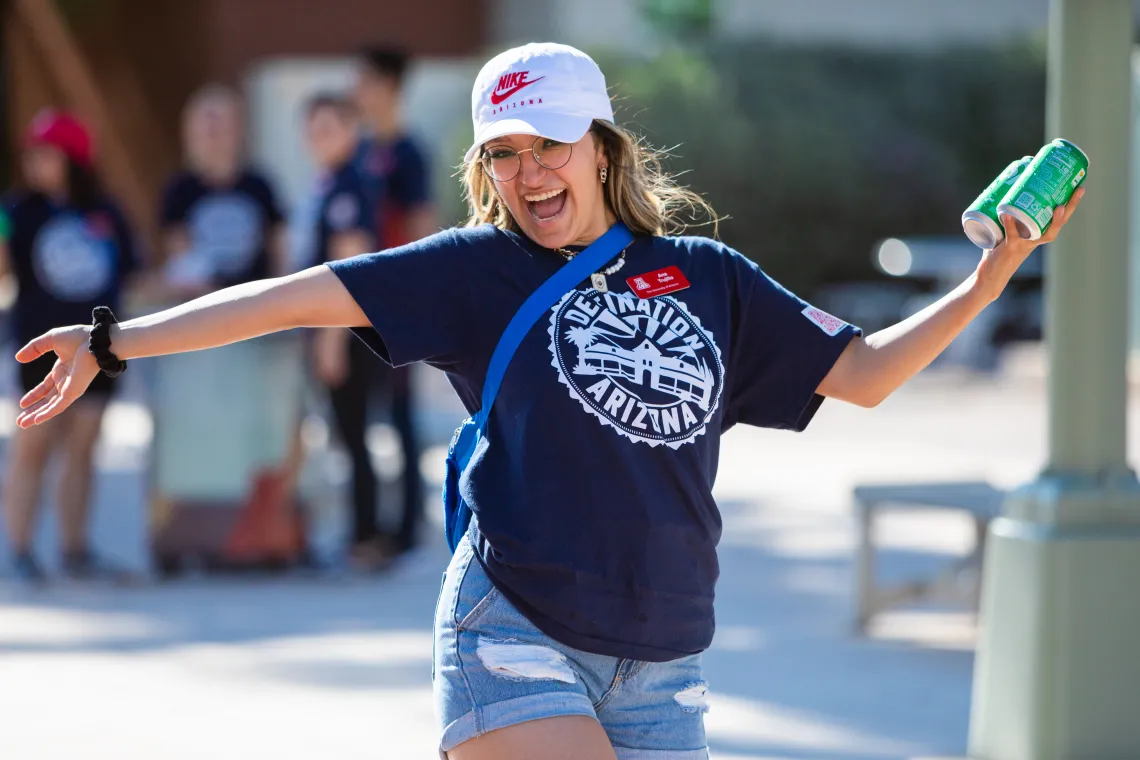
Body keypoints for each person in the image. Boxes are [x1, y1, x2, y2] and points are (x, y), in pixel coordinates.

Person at [13, 43, 1083, 759]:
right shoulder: (473, 269)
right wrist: (114, 340)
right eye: (506, 154)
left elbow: (868, 373)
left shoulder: (712, 276)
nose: (529, 174)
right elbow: (288, 300)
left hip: (668, 660)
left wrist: (986, 283)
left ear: (604, 147)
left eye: (551, 145)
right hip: (513, 632)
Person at [1, 109, 138, 583]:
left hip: (101, 346)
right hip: (39, 347)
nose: (36, 162)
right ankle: (20, 551)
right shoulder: (17, 211)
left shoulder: (106, 211)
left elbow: (131, 270)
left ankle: (75, 550)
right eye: (32, 153)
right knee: (32, 445)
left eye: (47, 153)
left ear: (74, 158)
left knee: (83, 447)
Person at [297, 92, 386, 570]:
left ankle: (366, 539)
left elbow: (349, 265)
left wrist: (331, 342)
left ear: (352, 130)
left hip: (346, 333)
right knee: (345, 438)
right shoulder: (328, 182)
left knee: (354, 439)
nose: (319, 138)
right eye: (313, 129)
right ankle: (359, 535)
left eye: (329, 128)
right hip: (333, 330)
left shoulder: (351, 185)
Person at [352, 47, 434, 561]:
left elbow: (422, 226)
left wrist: (421, 298)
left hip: (397, 303)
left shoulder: (409, 154)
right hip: (356, 301)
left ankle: (405, 529)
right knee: (360, 416)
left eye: (363, 81)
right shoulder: (357, 151)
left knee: (400, 414)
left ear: (389, 87)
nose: (355, 92)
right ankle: (368, 527)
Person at [159, 84, 288, 296]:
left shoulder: (260, 184)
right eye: (207, 128)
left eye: (220, 126)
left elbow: (279, 245)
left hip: (256, 299)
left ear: (237, 129)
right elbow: (179, 252)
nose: (214, 135)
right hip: (204, 301)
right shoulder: (180, 189)